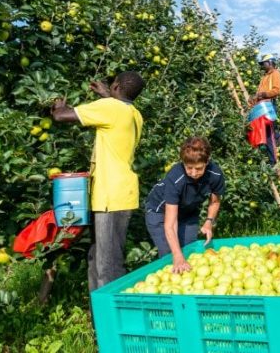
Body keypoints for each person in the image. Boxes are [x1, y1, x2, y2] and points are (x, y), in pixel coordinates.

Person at [51, 71, 145, 291]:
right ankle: (99, 320)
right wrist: (107, 95)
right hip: (119, 193)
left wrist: (56, 104)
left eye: (112, 84)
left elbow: (61, 116)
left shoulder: (110, 108)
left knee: (108, 265)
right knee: (97, 257)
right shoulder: (134, 113)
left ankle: (112, 322)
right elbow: (114, 113)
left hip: (111, 196)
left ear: (116, 86)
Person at [144, 137, 225, 273]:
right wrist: (177, 255)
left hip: (188, 212)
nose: (194, 173)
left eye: (199, 168)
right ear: (183, 163)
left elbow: (215, 201)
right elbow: (170, 224)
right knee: (171, 256)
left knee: (189, 252)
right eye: (189, 168)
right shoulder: (175, 178)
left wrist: (209, 222)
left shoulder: (215, 174)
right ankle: (170, 291)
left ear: (207, 162)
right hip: (160, 213)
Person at [247, 53, 280, 164]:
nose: (263, 66)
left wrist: (262, 95)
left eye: (264, 63)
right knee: (259, 132)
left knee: (268, 135)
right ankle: (279, 135)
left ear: (271, 62)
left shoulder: (275, 73)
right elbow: (260, 94)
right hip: (261, 107)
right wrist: (254, 99)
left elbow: (277, 90)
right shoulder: (265, 76)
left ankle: (273, 162)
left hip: (268, 106)